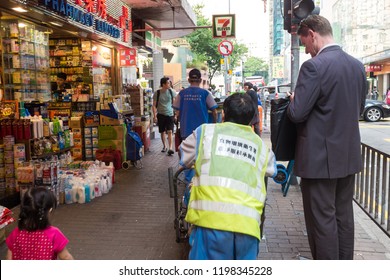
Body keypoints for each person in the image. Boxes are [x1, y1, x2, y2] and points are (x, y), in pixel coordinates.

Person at [287, 15, 367, 260]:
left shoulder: (313, 67)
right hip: (348, 155)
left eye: (305, 44)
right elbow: (360, 109)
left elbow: (297, 113)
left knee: (321, 221)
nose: (307, 51)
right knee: (343, 216)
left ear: (312, 33)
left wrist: (293, 101)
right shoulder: (357, 65)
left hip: (319, 159)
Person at [180, 93, 276, 260]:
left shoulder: (205, 133)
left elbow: (184, 156)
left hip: (209, 221)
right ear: (251, 119)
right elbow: (271, 170)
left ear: (223, 114)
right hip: (248, 226)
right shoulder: (260, 146)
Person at [5, 187, 74, 260]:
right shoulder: (54, 234)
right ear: (49, 210)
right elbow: (66, 257)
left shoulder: (16, 233)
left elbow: (9, 257)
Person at [173, 68, 218, 141]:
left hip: (185, 130)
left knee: (186, 151)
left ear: (189, 80)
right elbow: (215, 111)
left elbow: (176, 110)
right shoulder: (205, 93)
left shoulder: (182, 93)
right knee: (200, 151)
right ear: (200, 80)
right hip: (202, 131)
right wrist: (214, 125)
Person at [152, 77, 176, 155]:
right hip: (161, 114)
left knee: (170, 131)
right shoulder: (157, 93)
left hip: (170, 114)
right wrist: (155, 116)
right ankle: (164, 146)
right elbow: (154, 105)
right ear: (163, 84)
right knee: (162, 131)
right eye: (168, 83)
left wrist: (175, 114)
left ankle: (170, 148)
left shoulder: (171, 92)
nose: (169, 84)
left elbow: (174, 103)